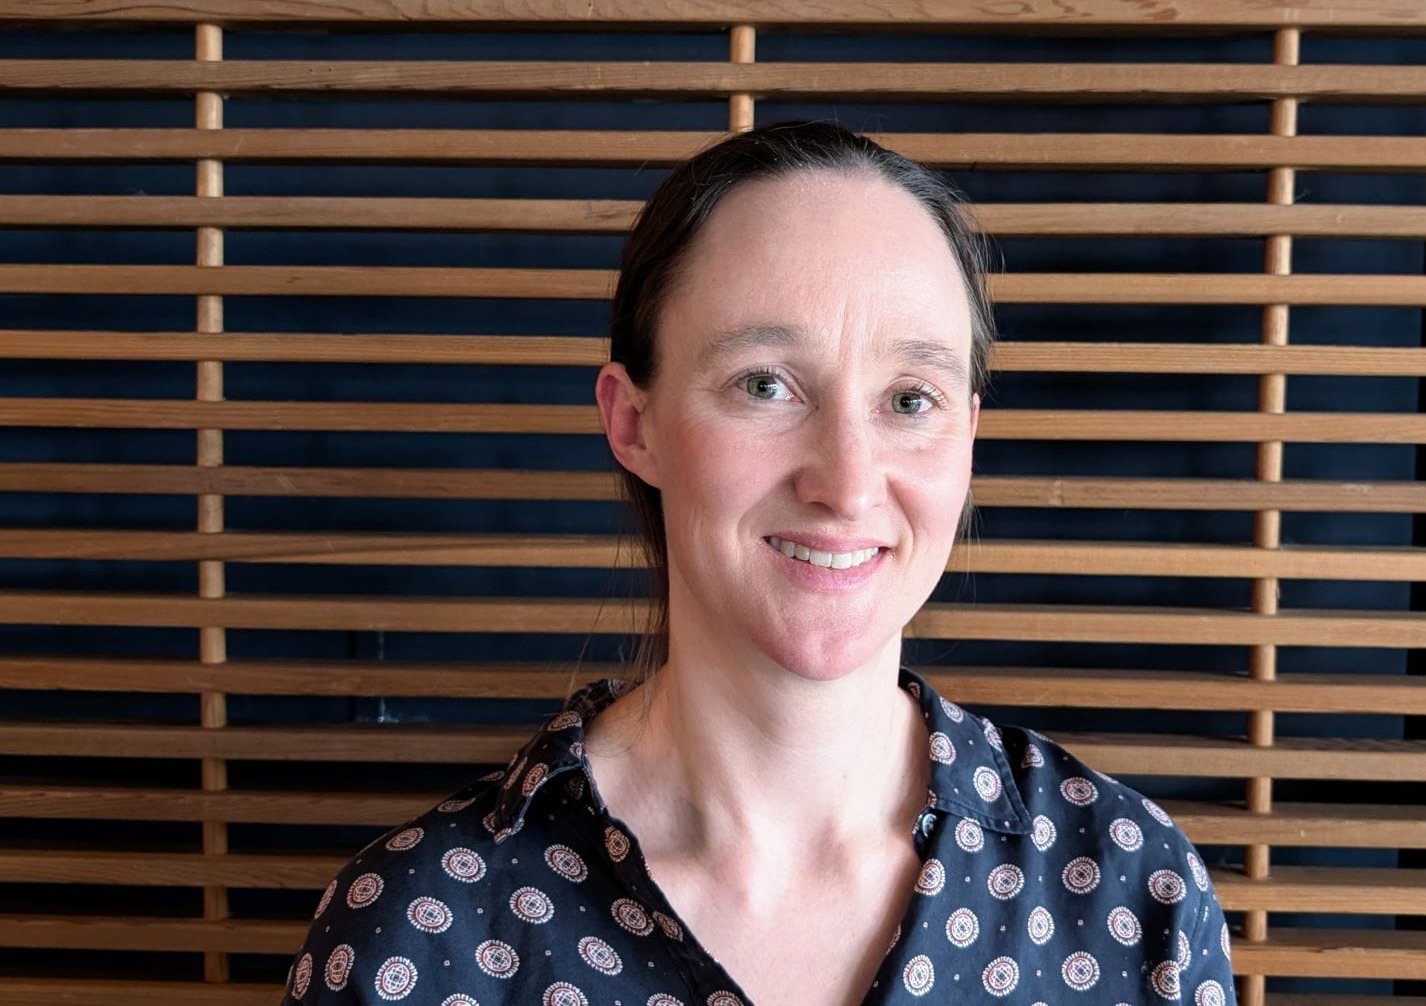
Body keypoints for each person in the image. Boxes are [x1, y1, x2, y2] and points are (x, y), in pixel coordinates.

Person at [281, 121, 1237, 1005]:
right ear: (633, 421)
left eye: (910, 399)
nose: (849, 482)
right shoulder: (412, 935)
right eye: (766, 384)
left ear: (969, 437)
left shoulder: (1131, 898)